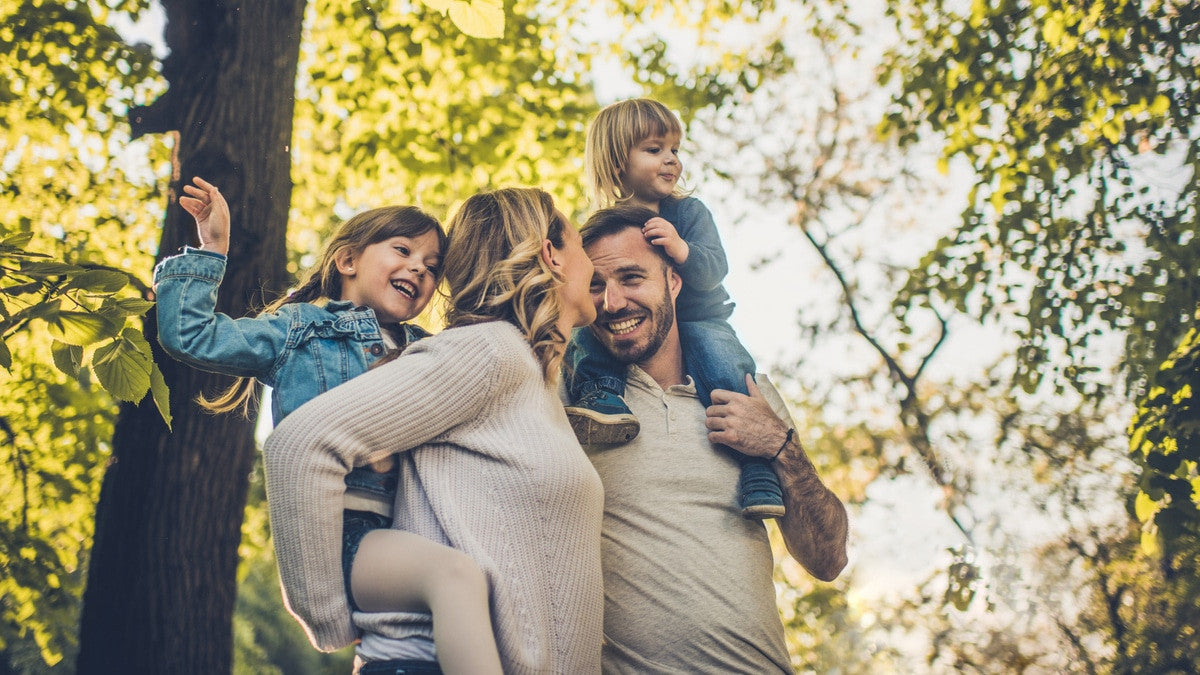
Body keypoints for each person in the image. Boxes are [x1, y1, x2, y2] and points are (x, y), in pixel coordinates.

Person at [154, 177, 504, 674]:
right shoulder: (301, 329)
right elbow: (190, 335)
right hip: (346, 535)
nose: (418, 270)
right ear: (347, 260)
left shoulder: (427, 348)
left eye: (431, 268)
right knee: (454, 577)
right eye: (403, 250)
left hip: (414, 526)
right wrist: (213, 250)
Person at [261, 187, 604, 674]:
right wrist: (327, 615)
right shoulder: (489, 352)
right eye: (583, 247)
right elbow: (300, 445)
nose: (593, 265)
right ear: (551, 255)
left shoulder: (535, 375)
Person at [571, 205, 849, 672]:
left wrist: (780, 446)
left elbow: (828, 558)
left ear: (674, 281)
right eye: (595, 286)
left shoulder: (748, 393)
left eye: (632, 278)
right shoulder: (576, 399)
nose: (612, 302)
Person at [563, 97, 785, 519]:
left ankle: (756, 468)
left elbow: (716, 268)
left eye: (675, 150)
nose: (671, 160)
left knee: (725, 364)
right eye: (654, 150)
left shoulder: (688, 213)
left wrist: (682, 249)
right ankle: (602, 395)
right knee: (585, 331)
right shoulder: (602, 229)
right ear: (617, 162)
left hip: (699, 318)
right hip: (635, 327)